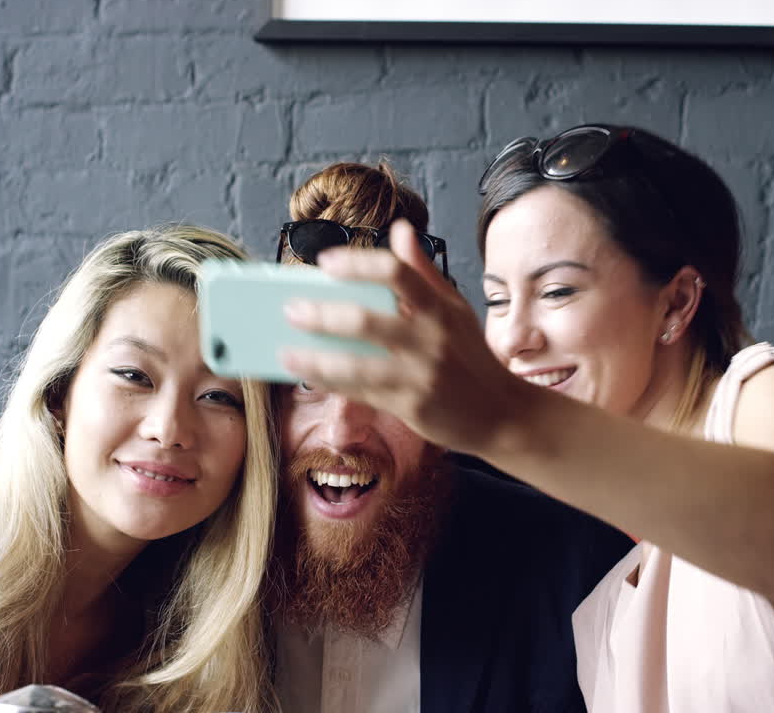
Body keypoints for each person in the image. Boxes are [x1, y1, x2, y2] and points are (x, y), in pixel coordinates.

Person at [278, 132, 774, 712]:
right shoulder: (600, 558)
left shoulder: (767, 389)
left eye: (558, 291)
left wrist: (503, 418)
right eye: (498, 299)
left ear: (676, 302)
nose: (514, 339)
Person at [0, 226, 279, 712]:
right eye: (134, 376)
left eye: (219, 396)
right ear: (58, 393)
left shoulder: (212, 650)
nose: (169, 429)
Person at [267, 162, 636, 713]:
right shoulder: (184, 558)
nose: (342, 432)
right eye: (307, 381)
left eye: (389, 381)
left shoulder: (575, 575)